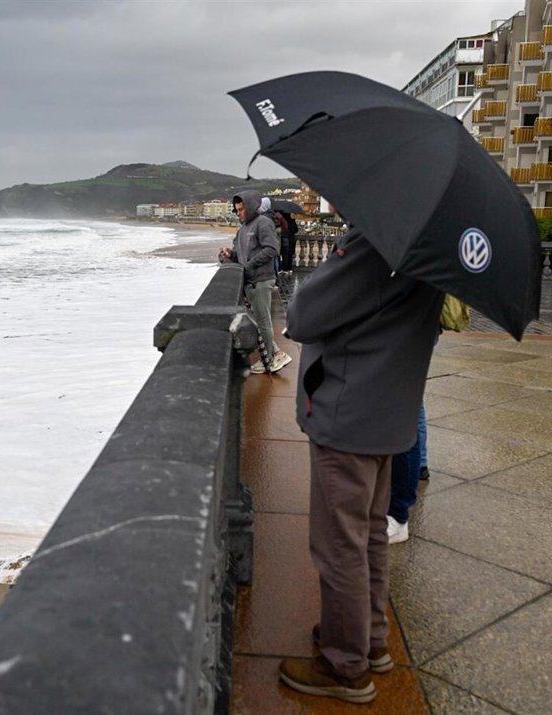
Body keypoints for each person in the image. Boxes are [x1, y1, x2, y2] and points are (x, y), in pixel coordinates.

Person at [278, 229, 442, 703]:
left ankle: (344, 665)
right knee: (368, 533)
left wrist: (326, 270)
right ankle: (370, 640)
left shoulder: (376, 243)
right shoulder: (430, 244)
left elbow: (304, 315)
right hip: (388, 413)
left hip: (350, 412)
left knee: (339, 544)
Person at [218, 190, 292, 374]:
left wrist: (249, 266)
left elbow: (272, 249)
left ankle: (274, 357)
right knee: (258, 321)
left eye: (241, 209)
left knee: (263, 321)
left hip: (261, 280)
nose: (239, 213)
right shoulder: (242, 229)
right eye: (236, 210)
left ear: (250, 206)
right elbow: (239, 254)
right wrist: (229, 254)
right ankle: (271, 356)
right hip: (250, 282)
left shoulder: (263, 223)